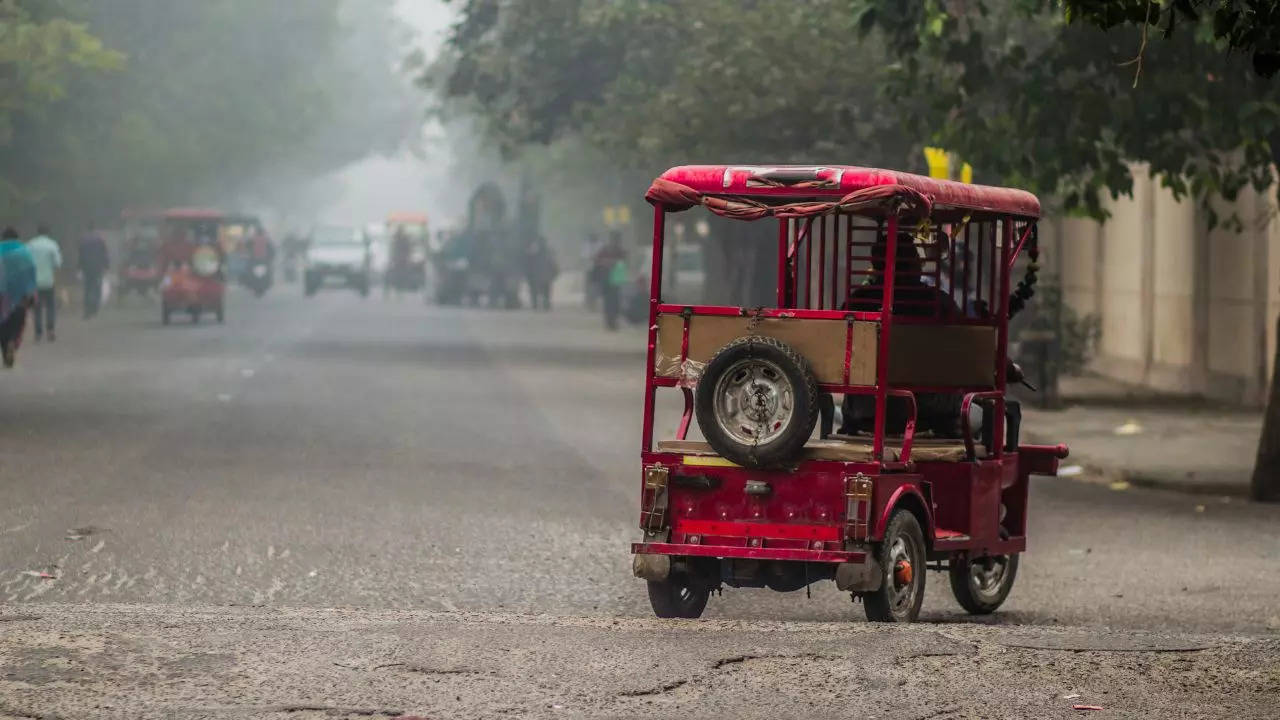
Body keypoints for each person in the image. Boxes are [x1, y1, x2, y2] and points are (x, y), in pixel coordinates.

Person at [841, 232, 964, 437]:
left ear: (875, 263)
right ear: (914, 263)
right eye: (916, 258)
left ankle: (847, 429)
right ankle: (951, 433)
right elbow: (968, 343)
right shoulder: (937, 303)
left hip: (866, 407)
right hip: (928, 410)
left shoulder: (857, 302)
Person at [0, 228, 37, 367]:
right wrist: (31, 292)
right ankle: (13, 342)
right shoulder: (24, 251)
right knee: (18, 321)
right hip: (20, 294)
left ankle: (5, 353)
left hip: (2, 295)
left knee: (2, 323)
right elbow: (31, 272)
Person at [26, 225, 63, 342]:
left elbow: (26, 262)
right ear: (48, 232)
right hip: (48, 281)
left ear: (38, 232)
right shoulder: (52, 245)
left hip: (34, 282)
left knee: (36, 307)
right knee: (50, 306)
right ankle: (50, 329)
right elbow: (58, 263)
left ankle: (38, 333)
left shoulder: (30, 245)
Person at [78, 226, 110, 318]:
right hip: (97, 268)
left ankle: (87, 309)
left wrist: (79, 267)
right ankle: (94, 307)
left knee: (87, 288)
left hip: (86, 268)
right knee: (97, 287)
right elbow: (105, 254)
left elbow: (80, 255)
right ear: (95, 230)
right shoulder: (100, 240)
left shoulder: (83, 241)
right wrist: (106, 266)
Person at [597, 233, 627, 330]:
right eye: (614, 239)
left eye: (617, 239)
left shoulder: (620, 251)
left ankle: (613, 321)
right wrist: (607, 263)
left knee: (615, 302)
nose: (615, 241)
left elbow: (623, 264)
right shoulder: (605, 250)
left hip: (616, 280)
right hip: (606, 280)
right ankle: (608, 321)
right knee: (608, 301)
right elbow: (598, 260)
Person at [525, 236, 559, 311]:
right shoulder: (545, 253)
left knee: (538, 292)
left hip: (538, 276)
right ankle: (542, 304)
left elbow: (553, 264)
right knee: (544, 292)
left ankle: (538, 304)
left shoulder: (534, 253)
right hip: (542, 276)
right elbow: (553, 264)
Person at [582, 233, 603, 309]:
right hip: (589, 268)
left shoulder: (600, 244)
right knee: (588, 285)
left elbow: (602, 255)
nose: (592, 238)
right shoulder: (586, 245)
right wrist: (591, 257)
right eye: (591, 237)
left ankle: (594, 301)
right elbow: (584, 256)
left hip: (598, 268)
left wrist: (596, 258)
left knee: (597, 285)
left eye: (594, 237)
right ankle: (589, 302)